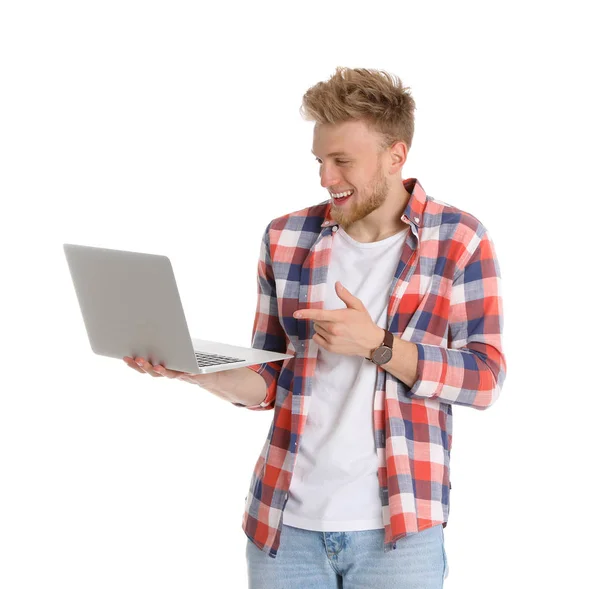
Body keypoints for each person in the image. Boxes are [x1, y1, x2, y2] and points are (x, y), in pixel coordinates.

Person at [124, 66, 507, 588]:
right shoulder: (286, 238)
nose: (326, 178)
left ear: (397, 155)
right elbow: (269, 377)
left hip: (399, 534)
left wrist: (379, 345)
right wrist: (193, 372)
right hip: (284, 529)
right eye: (320, 161)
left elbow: (485, 378)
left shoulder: (459, 239)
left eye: (342, 161)